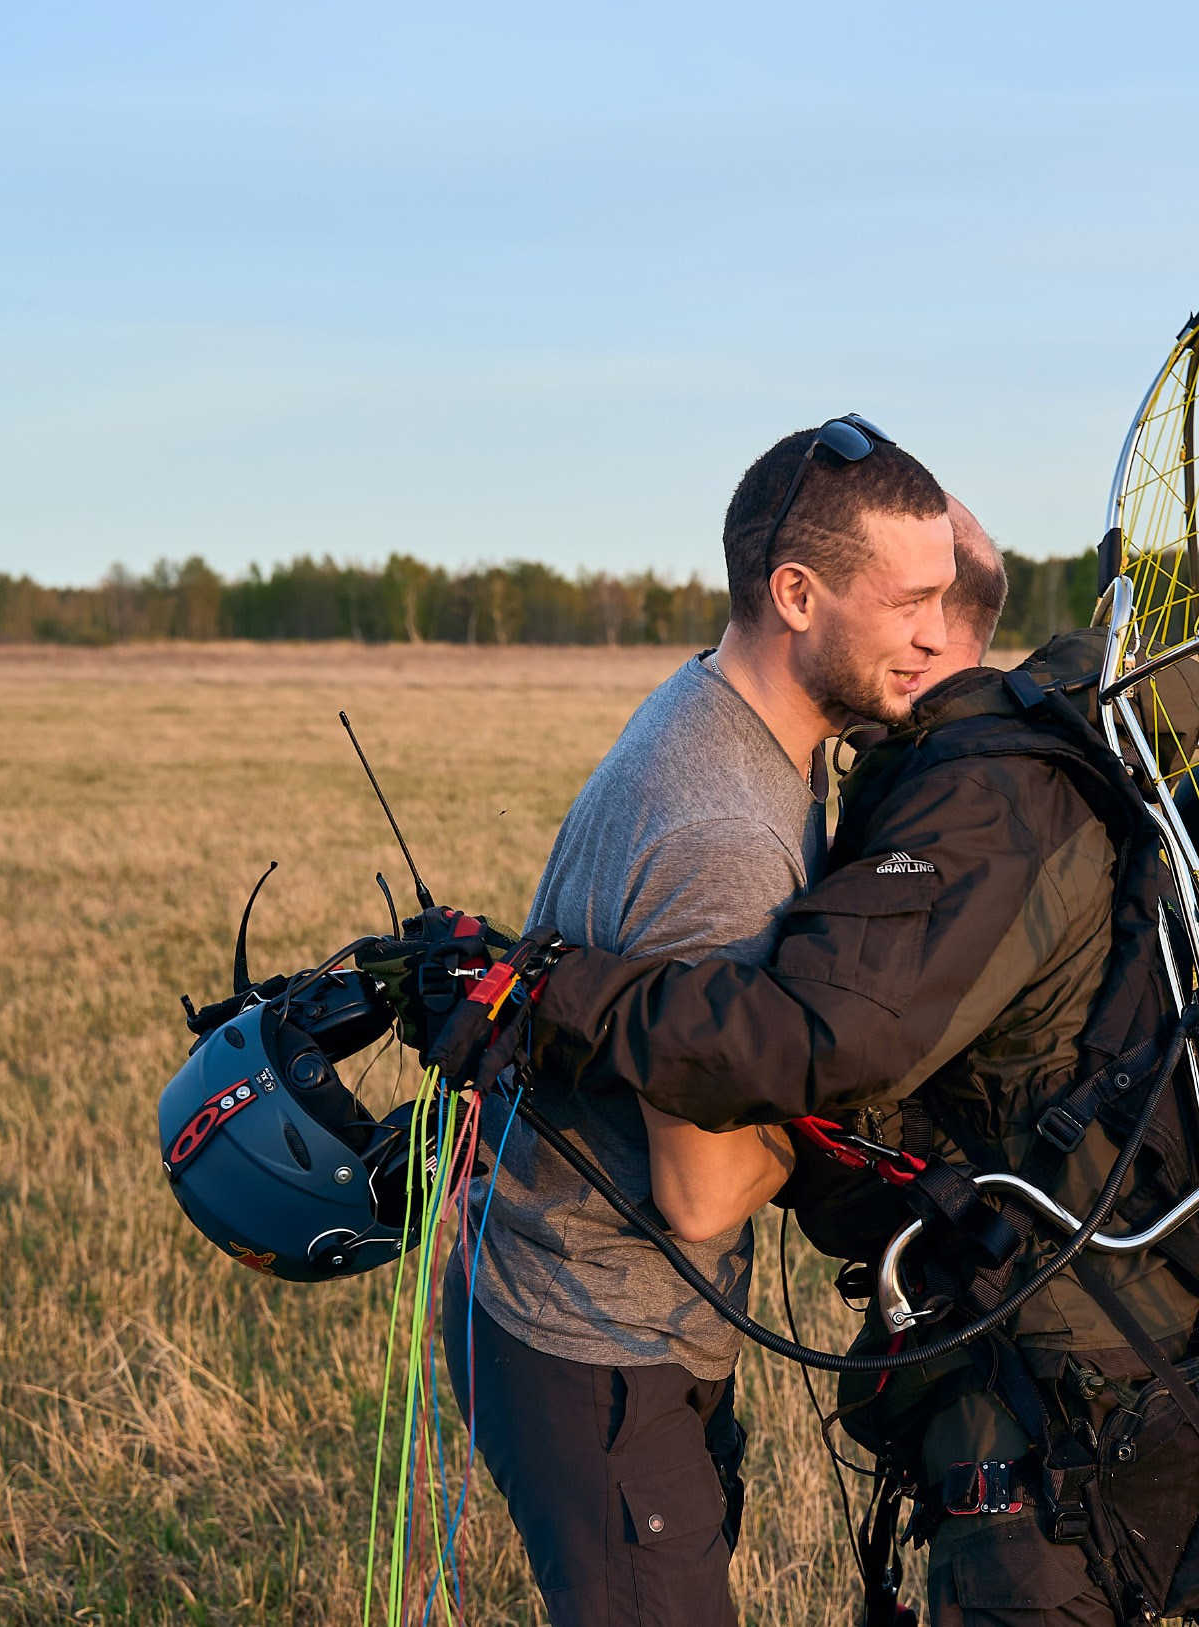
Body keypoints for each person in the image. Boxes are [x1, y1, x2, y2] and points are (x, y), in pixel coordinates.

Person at [500, 554, 1199, 1626]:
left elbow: (807, 1069)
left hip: (1047, 1404)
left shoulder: (981, 809)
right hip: (1118, 1360)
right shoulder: (1074, 780)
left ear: (939, 634)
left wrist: (559, 1003)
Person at [441, 415, 957, 1627]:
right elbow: (704, 1193)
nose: (936, 636)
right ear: (795, 593)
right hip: (596, 1338)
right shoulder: (723, 829)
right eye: (909, 601)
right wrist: (859, 1073)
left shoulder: (740, 720)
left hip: (592, 1317)